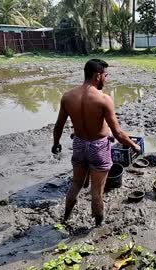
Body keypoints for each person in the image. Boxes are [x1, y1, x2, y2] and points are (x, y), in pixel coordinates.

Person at [52, 59, 141, 227]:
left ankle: (66, 218)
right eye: (105, 76)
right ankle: (98, 225)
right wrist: (133, 145)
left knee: (76, 183)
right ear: (97, 76)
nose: (106, 79)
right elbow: (118, 133)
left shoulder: (68, 97)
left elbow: (58, 126)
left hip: (79, 144)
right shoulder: (103, 99)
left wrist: (56, 144)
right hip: (99, 147)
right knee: (97, 192)